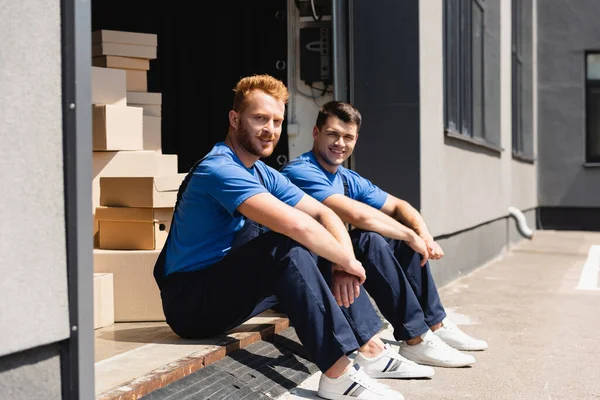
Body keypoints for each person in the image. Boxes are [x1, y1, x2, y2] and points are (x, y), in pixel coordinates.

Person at [153, 75, 411, 400]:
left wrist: (344, 265)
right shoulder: (220, 168)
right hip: (191, 304)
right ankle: (338, 375)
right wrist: (346, 261)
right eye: (259, 118)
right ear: (234, 120)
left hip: (229, 288)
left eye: (277, 121)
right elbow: (297, 227)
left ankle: (370, 350)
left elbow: (324, 214)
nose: (270, 129)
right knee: (287, 245)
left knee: (315, 245)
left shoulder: (262, 172)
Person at [280, 100, 488, 369]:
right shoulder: (301, 171)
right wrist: (408, 235)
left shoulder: (346, 177)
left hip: (332, 261)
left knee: (399, 241)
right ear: (316, 133)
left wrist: (423, 235)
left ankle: (436, 324)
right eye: (332, 134)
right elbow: (358, 215)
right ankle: (415, 339)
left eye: (348, 137)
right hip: (302, 273)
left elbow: (401, 206)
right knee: (371, 239)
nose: (340, 143)